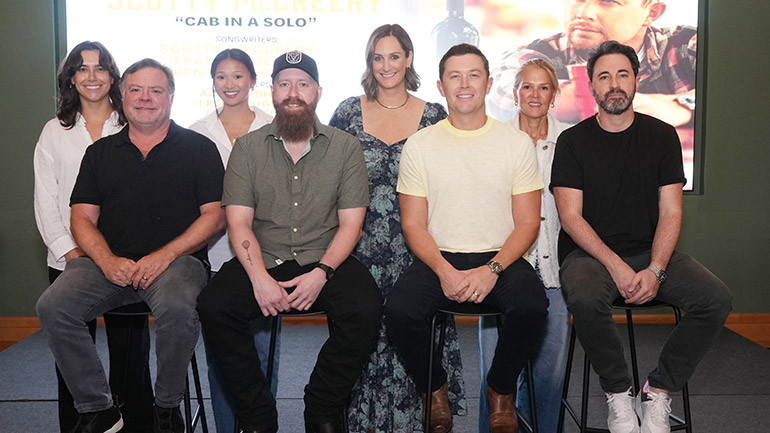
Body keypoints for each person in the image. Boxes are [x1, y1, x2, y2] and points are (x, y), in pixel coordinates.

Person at [36, 58, 225, 433]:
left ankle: (166, 408)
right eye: (136, 90)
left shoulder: (199, 148)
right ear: (122, 96)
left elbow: (215, 216)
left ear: (171, 96)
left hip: (177, 264)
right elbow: (81, 218)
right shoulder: (101, 152)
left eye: (156, 90)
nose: (145, 98)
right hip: (107, 265)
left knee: (176, 305)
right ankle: (99, 409)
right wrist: (106, 261)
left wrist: (164, 255)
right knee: (53, 306)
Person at [551, 40, 732, 433]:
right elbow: (571, 219)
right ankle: (618, 393)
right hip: (589, 258)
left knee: (715, 298)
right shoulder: (572, 142)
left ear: (637, 79)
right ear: (592, 86)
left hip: (650, 253)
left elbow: (671, 211)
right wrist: (616, 267)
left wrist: (656, 269)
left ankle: (658, 391)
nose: (614, 84)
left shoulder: (663, 136)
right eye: (604, 76)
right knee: (583, 295)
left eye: (622, 74)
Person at [197, 51, 382, 433]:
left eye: (302, 84)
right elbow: (239, 222)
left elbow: (351, 224)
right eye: (284, 84)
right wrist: (259, 277)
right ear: (272, 92)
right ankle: (257, 413)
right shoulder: (247, 149)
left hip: (325, 257)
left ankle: (323, 404)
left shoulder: (345, 148)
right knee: (215, 306)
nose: (293, 92)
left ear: (317, 92)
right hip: (264, 257)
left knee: (366, 308)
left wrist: (322, 273)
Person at [385, 43, 549, 433]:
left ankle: (500, 388)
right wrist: (444, 270)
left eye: (473, 75)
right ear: (441, 87)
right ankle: (434, 387)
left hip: (501, 258)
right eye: (454, 76)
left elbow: (528, 223)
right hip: (438, 257)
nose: (464, 84)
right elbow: (413, 224)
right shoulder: (420, 145)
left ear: (489, 83)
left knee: (532, 306)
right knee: (399, 310)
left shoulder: (514, 144)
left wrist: (491, 269)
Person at [328, 24, 465, 433]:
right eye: (377, 57)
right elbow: (327, 179)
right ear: (369, 62)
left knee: (414, 329)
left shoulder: (435, 116)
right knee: (362, 335)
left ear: (408, 58)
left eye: (394, 56)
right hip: (358, 246)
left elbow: (453, 181)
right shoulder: (348, 113)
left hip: (418, 246)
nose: (386, 65)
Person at [32, 40, 153, 433]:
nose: (92, 76)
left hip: (125, 261)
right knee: (71, 362)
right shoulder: (55, 132)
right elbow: (46, 199)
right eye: (81, 68)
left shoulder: (134, 124)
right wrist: (69, 252)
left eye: (100, 68)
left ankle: (134, 425)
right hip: (72, 262)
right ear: (71, 78)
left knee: (131, 360)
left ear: (112, 76)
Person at [477, 58, 570, 433]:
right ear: (514, 93)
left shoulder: (571, 142)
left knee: (549, 380)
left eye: (543, 87)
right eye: (526, 87)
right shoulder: (492, 140)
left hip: (556, 276)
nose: (535, 94)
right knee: (495, 381)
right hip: (500, 274)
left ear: (554, 95)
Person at [189, 48, 278, 433]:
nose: (230, 84)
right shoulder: (197, 131)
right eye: (221, 77)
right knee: (220, 353)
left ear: (253, 81)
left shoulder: (275, 124)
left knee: (263, 352)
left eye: (238, 76)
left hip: (267, 254)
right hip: (215, 254)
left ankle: (261, 425)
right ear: (213, 82)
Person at [488, 0, 696, 129]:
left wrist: (682, 107)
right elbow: (504, 96)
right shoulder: (542, 54)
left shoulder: (686, 45)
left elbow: (728, 89)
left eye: (607, 1)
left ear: (651, 13)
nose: (583, 13)